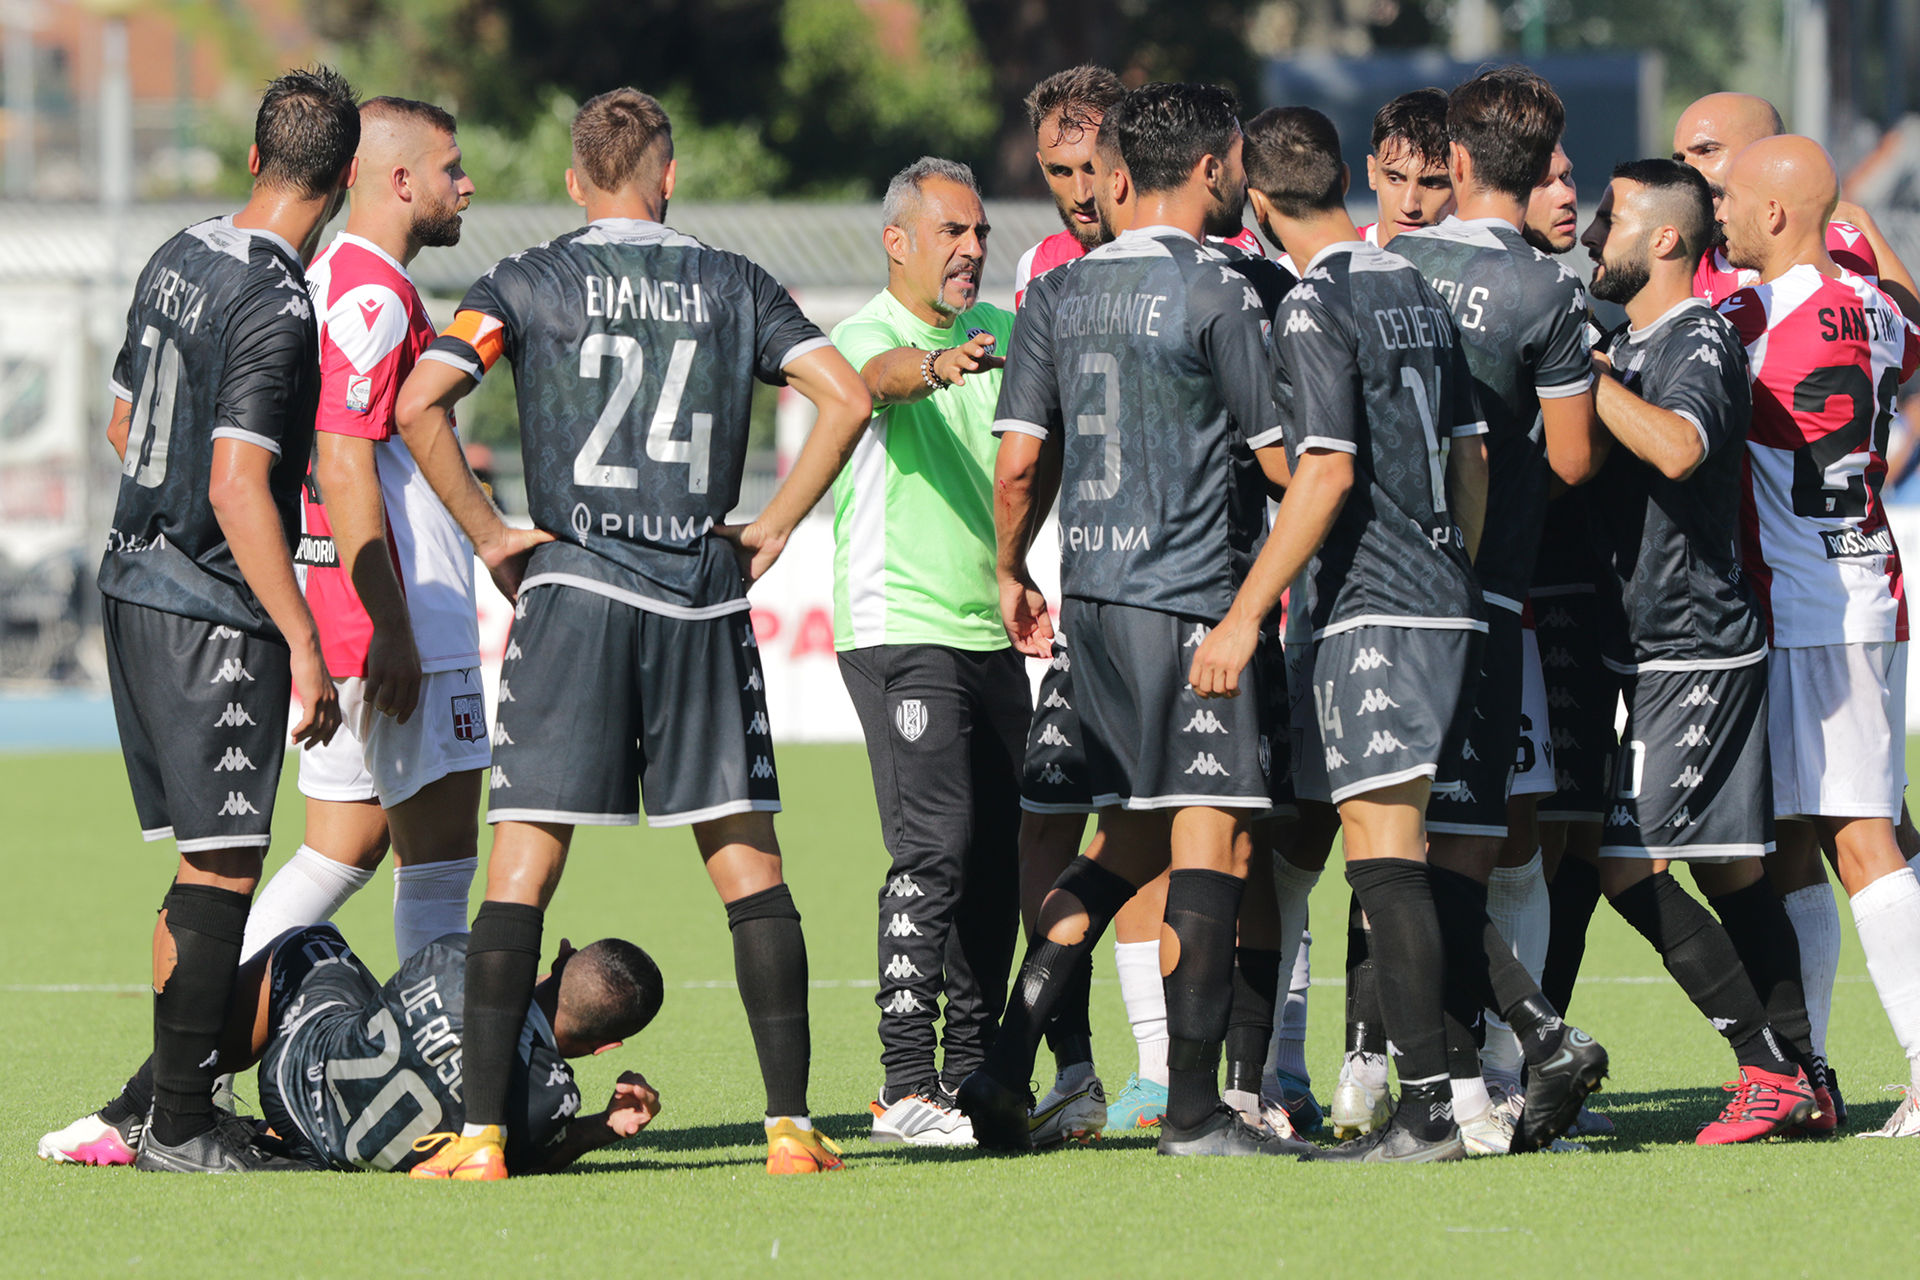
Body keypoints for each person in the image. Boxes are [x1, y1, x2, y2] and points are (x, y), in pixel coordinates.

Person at [390, 88, 873, 1180]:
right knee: (749, 866)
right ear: (669, 177)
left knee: (522, 869)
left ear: (575, 182)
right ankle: (789, 1128)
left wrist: (493, 538)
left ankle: (482, 1136)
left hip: (573, 594)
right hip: (699, 598)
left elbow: (421, 402)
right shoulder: (736, 282)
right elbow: (844, 396)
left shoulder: (524, 280)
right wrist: (774, 525)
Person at [965, 82, 1299, 1158]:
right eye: (1236, 161)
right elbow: (1285, 463)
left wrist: (1011, 569)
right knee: (1215, 836)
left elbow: (1021, 465)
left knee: (1126, 838)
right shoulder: (1221, 286)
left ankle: (1005, 1061)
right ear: (1207, 169)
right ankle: (1195, 1111)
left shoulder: (1058, 292)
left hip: (1096, 607)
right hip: (1194, 599)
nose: (1242, 178)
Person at [94, 66, 357, 1173]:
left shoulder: (178, 250)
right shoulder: (280, 304)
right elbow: (239, 485)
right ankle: (183, 1124)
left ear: (254, 159)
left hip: (129, 582)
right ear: (343, 182)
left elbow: (123, 426)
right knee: (223, 871)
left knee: (202, 864)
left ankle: (164, 1105)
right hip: (208, 615)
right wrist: (303, 639)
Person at [1228, 103, 1489, 1161]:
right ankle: (1457, 1092)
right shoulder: (1416, 285)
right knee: (1399, 849)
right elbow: (1471, 454)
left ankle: (1427, 1109)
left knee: (1385, 859)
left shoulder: (1312, 301)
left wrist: (1246, 611)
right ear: (1345, 178)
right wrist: (1451, 564)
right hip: (1444, 598)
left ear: (1256, 202)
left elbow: (1324, 471)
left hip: (1373, 606)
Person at [1575, 158, 1825, 1142]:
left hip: (1694, 646)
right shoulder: (1633, 341)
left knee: (1626, 866)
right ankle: (1807, 1074)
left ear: (1667, 239)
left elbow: (1679, 448)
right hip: (1652, 646)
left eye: (1612, 217)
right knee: (1728, 872)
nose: (1594, 234)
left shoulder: (1700, 337)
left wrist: (1583, 376)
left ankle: (1767, 1068)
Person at [240, 97, 485, 967]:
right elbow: (343, 457)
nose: (467, 185)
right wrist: (392, 624)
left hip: (343, 611)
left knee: (339, 851)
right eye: (452, 169)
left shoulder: (325, 278)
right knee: (440, 872)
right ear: (401, 179)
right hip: (397, 616)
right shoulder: (374, 295)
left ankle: (212, 1030)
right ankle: (441, 1052)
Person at [1718, 135, 1920, 1139]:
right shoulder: (1880, 310)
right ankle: (1813, 1074)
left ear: (1777, 214)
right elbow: (1913, 323)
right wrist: (1866, 235)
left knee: (1860, 838)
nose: (1718, 213)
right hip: (1865, 580)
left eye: (1731, 197)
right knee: (1795, 838)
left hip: (1810, 606)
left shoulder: (1749, 317)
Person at [827, 157, 1027, 1147]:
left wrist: (1022, 572)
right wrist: (942, 367)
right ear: (897, 241)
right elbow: (878, 382)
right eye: (953, 231)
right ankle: (904, 1081)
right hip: (899, 625)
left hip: (989, 628)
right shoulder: (866, 333)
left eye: (980, 231)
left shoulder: (1002, 337)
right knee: (934, 846)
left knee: (999, 861)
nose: (972, 248)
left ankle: (974, 1078)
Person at [41, 923, 662, 1174]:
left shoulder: (461, 955)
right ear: (606, 1047)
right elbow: (533, 1159)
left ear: (559, 959)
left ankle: (142, 1104)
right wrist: (603, 1127)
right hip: (339, 1152)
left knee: (311, 943)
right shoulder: (554, 1102)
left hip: (294, 1077)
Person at [1013, 65, 1128, 307]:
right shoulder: (1036, 267)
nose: (1081, 195)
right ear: (1043, 167)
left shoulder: (1197, 254)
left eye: (1092, 168)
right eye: (1060, 171)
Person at [1359, 88, 1455, 247]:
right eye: (1394, 179)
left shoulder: (1488, 260)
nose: (1409, 206)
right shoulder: (1329, 260)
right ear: (1372, 173)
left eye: (1431, 183)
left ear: (1462, 182)